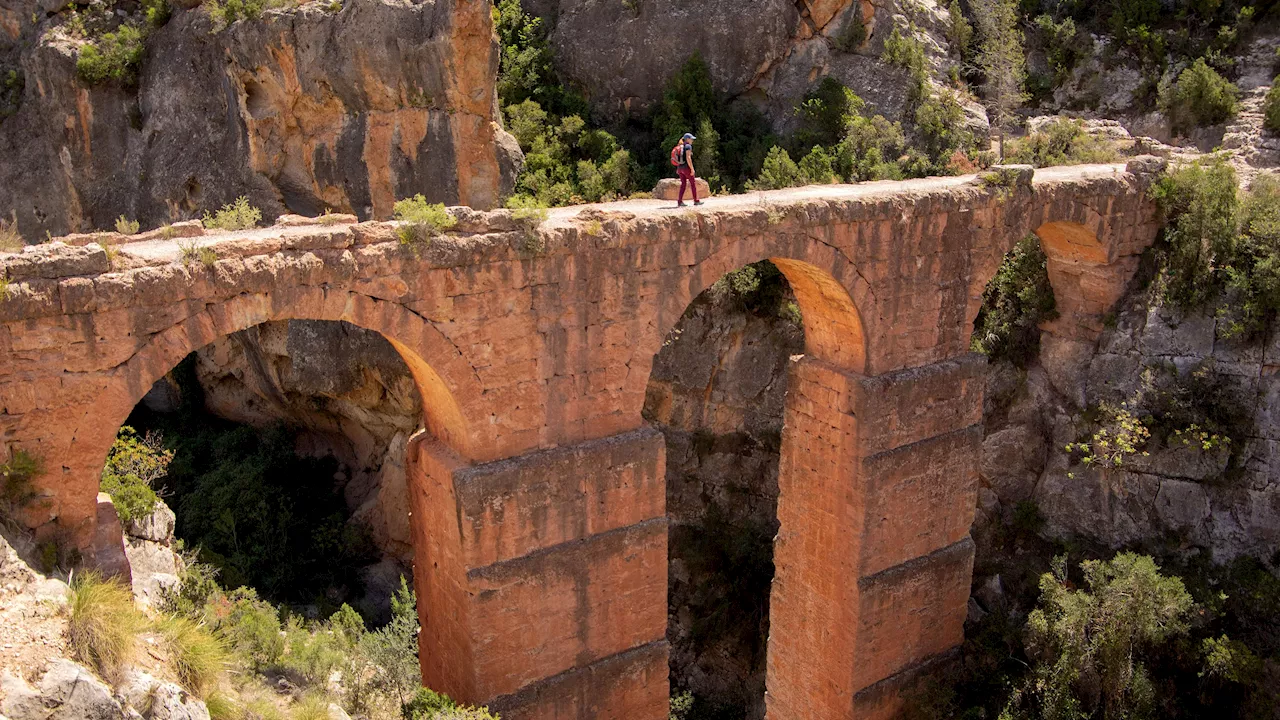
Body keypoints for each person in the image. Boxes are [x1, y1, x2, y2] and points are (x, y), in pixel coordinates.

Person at [673, 133, 703, 207]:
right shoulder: (688, 146)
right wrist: (692, 169)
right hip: (686, 168)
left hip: (680, 168)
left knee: (683, 184)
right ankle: (696, 200)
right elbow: (688, 158)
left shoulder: (680, 146)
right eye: (691, 139)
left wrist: (678, 168)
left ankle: (680, 201)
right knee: (693, 183)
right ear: (687, 139)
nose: (692, 140)